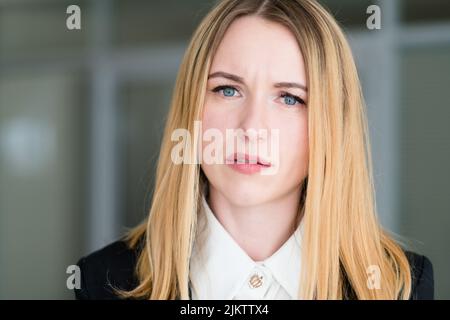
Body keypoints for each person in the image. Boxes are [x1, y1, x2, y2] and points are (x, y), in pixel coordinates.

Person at [75, 0, 434, 300]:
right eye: (227, 90)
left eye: (290, 98)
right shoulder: (102, 280)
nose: (251, 128)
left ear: (331, 128)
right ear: (191, 107)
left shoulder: (399, 285)